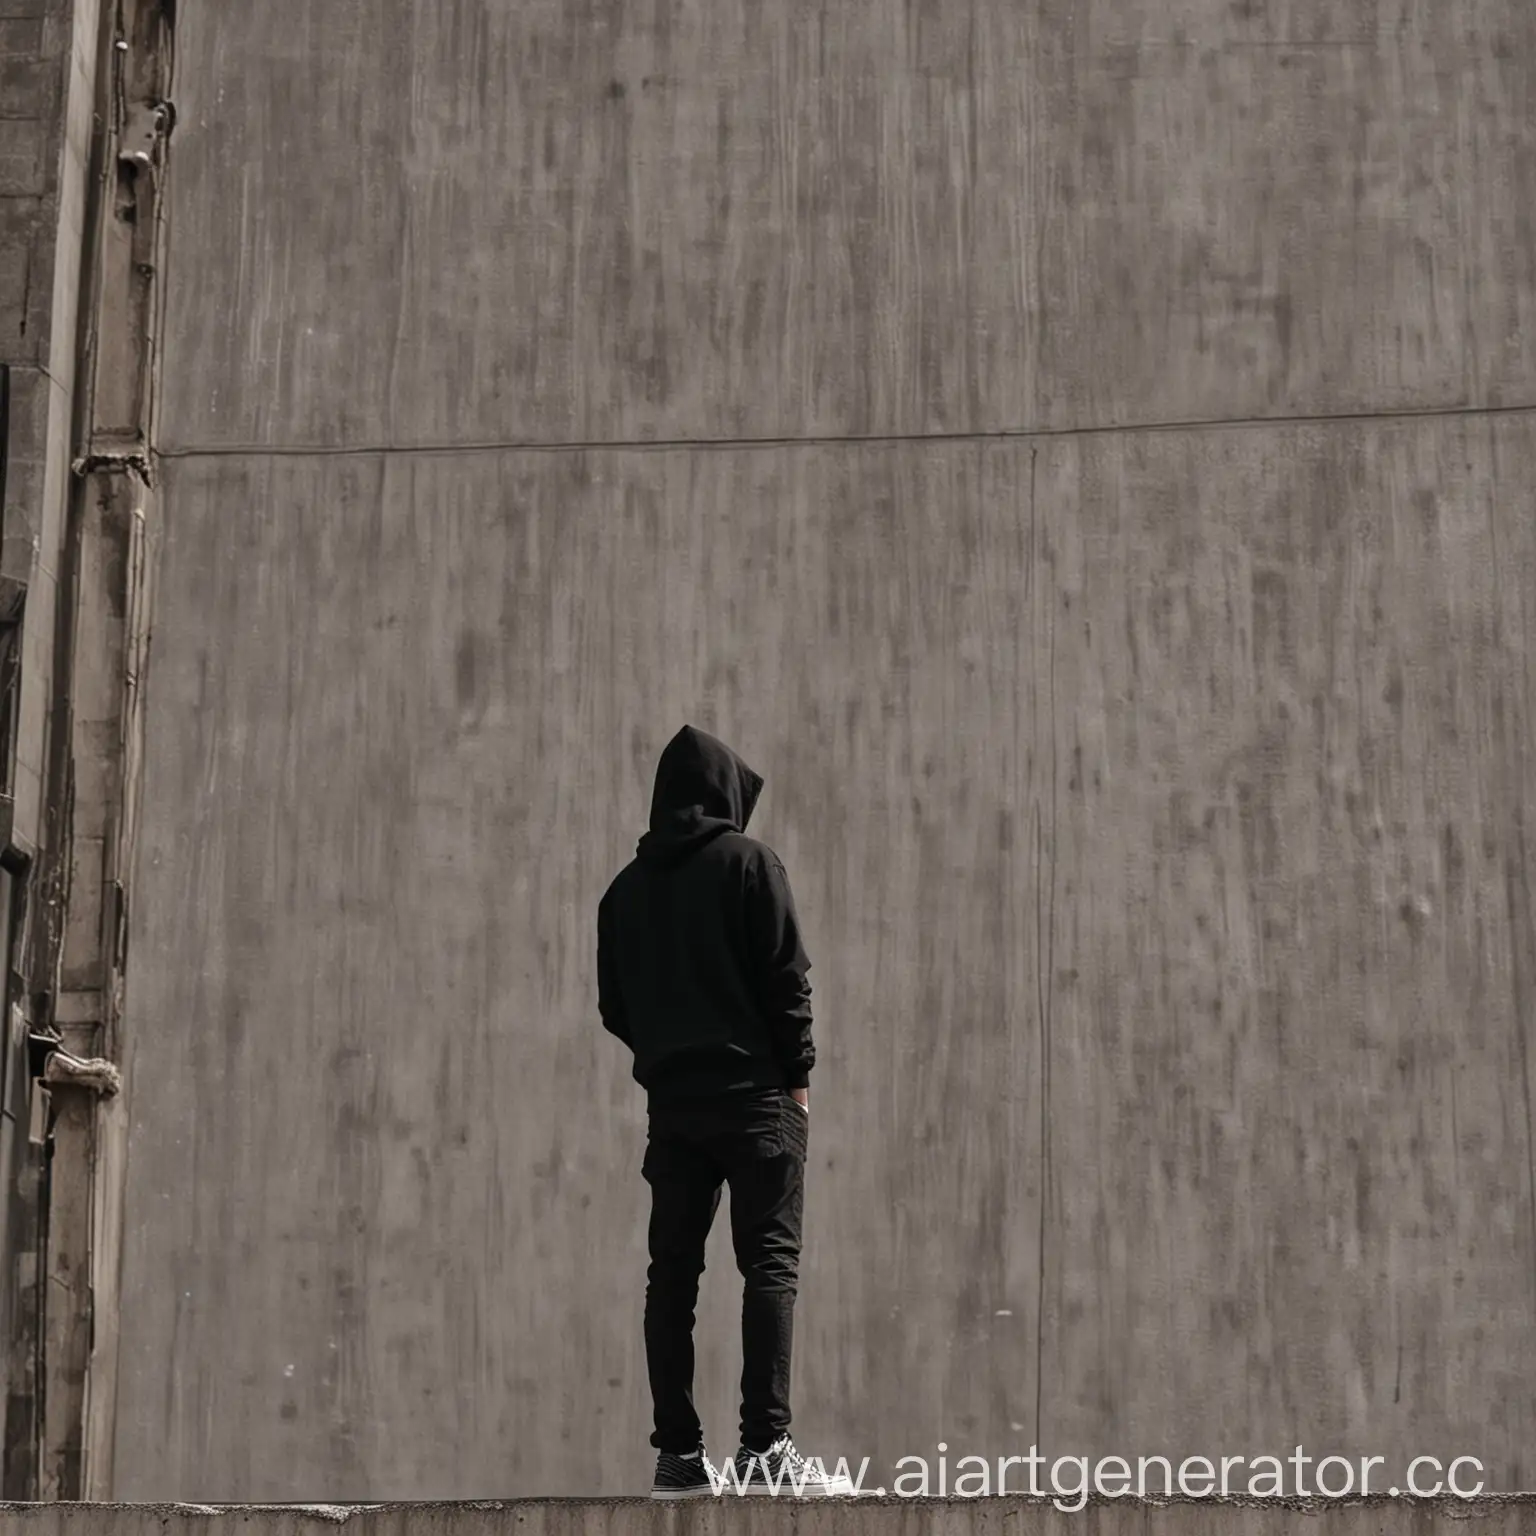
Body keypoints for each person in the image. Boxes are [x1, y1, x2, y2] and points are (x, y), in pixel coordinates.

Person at [597, 724, 846, 1499]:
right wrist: (797, 1082)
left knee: (670, 1275)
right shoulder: (750, 864)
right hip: (756, 1101)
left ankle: (678, 1457)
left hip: (674, 1110)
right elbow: (787, 984)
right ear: (725, 795)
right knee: (768, 1265)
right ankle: (766, 1451)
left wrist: (667, 1059)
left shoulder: (623, 892)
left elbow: (615, 1008)